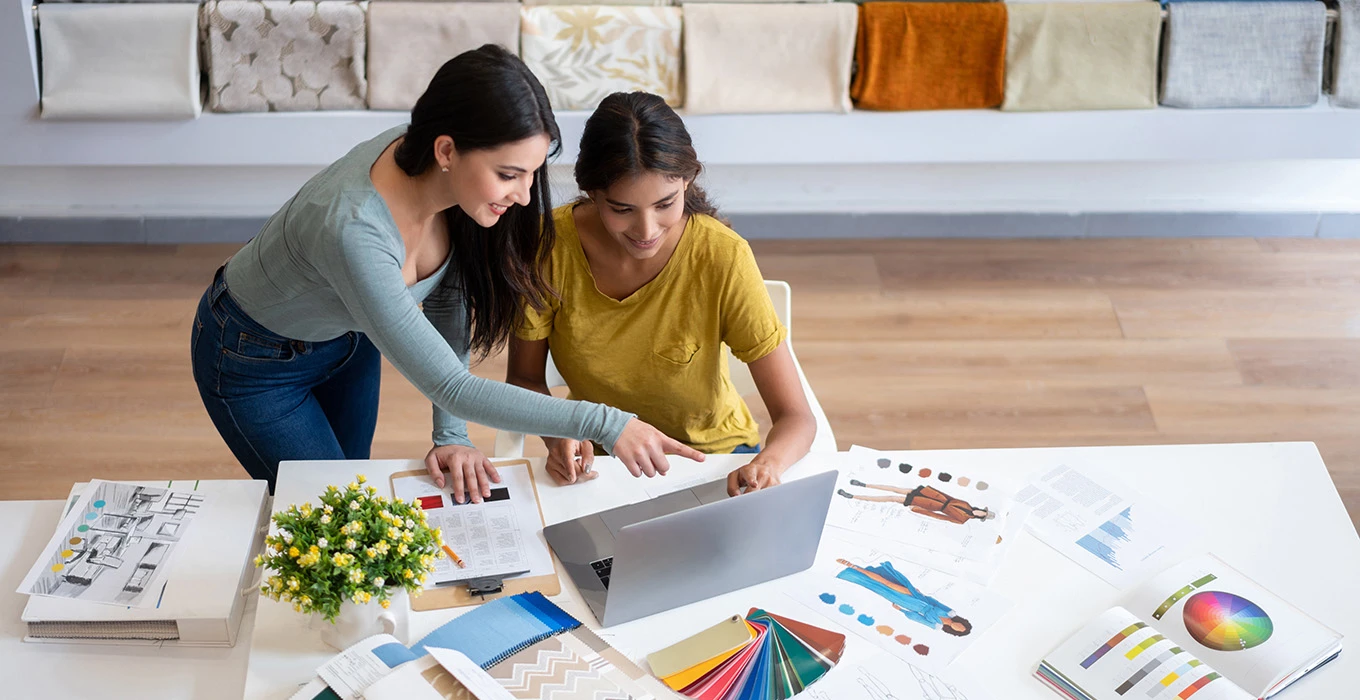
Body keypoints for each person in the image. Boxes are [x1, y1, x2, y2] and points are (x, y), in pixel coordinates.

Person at [190, 47, 701, 499]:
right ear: (447, 150)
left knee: (343, 493)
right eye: (508, 175)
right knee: (333, 511)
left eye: (531, 173)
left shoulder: (446, 180)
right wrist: (608, 424)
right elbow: (453, 386)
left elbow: (443, 298)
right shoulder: (353, 230)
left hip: (349, 340)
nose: (524, 196)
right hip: (254, 361)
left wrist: (451, 436)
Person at [504, 92, 816, 496]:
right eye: (622, 210)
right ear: (592, 192)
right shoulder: (546, 248)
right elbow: (524, 379)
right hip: (601, 462)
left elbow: (797, 418)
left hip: (713, 460)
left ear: (687, 181)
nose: (646, 230)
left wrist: (768, 466)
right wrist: (557, 432)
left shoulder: (722, 256)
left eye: (665, 204)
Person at [835, 559, 973, 637]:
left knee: (880, 588)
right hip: (916, 597)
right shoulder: (949, 612)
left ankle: (852, 574)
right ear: (960, 622)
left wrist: (901, 610)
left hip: (909, 605)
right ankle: (853, 566)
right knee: (887, 582)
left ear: (954, 631)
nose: (958, 627)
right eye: (961, 626)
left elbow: (917, 618)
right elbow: (934, 602)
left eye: (959, 630)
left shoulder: (936, 625)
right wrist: (921, 594)